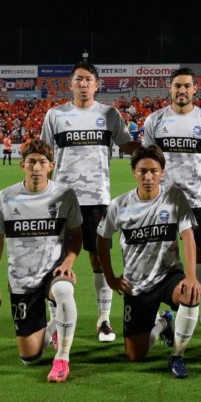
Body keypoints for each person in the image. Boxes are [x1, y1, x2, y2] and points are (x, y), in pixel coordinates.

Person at [40, 61, 141, 342]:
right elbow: (45, 153)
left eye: (88, 79)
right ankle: (55, 323)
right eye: (78, 79)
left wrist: (151, 147)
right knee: (56, 260)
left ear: (96, 85)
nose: (83, 84)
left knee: (98, 257)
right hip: (61, 199)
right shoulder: (55, 115)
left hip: (97, 198)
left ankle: (104, 319)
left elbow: (126, 145)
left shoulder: (109, 114)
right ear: (70, 84)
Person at [96, 145, 201, 378]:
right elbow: (102, 239)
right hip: (136, 284)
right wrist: (110, 278)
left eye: (154, 171)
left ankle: (177, 356)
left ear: (162, 172)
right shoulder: (119, 205)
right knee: (135, 355)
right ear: (134, 171)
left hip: (168, 276)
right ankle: (163, 323)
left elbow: (188, 237)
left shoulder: (174, 198)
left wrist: (192, 276)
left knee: (190, 293)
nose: (148, 177)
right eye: (142, 171)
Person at [0, 139, 83, 382]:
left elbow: (77, 236)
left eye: (42, 162)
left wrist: (69, 262)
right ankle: (56, 324)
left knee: (64, 290)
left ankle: (62, 358)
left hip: (53, 272)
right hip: (21, 281)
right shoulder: (6, 198)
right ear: (22, 165)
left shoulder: (65, 195)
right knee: (30, 358)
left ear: (51, 166)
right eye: (31, 162)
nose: (36, 168)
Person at [142, 67, 201, 341]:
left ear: (195, 89)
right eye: (177, 86)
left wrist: (195, 178)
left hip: (195, 200)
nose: (182, 90)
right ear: (170, 88)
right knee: (159, 255)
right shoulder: (155, 120)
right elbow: (149, 160)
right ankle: (158, 313)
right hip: (161, 201)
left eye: (187, 86)